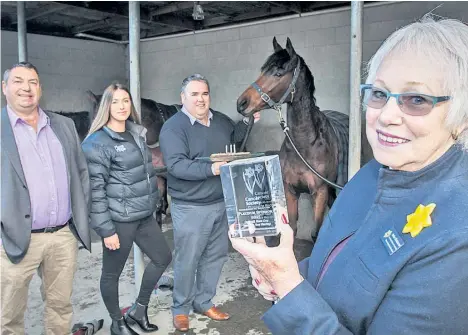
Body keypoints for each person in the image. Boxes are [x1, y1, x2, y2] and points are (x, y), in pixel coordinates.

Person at [230, 16, 468, 335]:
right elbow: (333, 264)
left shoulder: (456, 240)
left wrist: (288, 287)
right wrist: (284, 275)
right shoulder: (371, 174)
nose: (386, 116)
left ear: (462, 118)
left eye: (417, 100)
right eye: (379, 94)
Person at [159, 73, 260, 332]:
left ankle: (203, 301)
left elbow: (235, 140)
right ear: (183, 98)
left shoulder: (220, 121)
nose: (200, 99)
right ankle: (180, 308)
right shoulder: (173, 127)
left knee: (215, 257)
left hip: (220, 201)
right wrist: (212, 170)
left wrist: (248, 122)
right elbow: (177, 165)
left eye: (204, 93)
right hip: (191, 206)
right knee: (188, 259)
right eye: (194, 94)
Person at [1, 61, 91, 334]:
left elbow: (81, 172)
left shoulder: (63, 126)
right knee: (9, 314)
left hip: (62, 236)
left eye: (33, 82)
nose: (26, 88)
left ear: (40, 88)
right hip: (14, 238)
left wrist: (79, 215)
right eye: (18, 82)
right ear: (4, 88)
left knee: (60, 307)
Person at [81, 83, 172, 335]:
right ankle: (116, 322)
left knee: (163, 258)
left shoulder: (135, 134)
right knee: (112, 274)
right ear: (106, 106)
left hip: (143, 215)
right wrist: (106, 230)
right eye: (115, 102)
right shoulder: (97, 143)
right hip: (119, 220)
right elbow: (95, 192)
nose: (121, 106)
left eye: (125, 101)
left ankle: (138, 310)